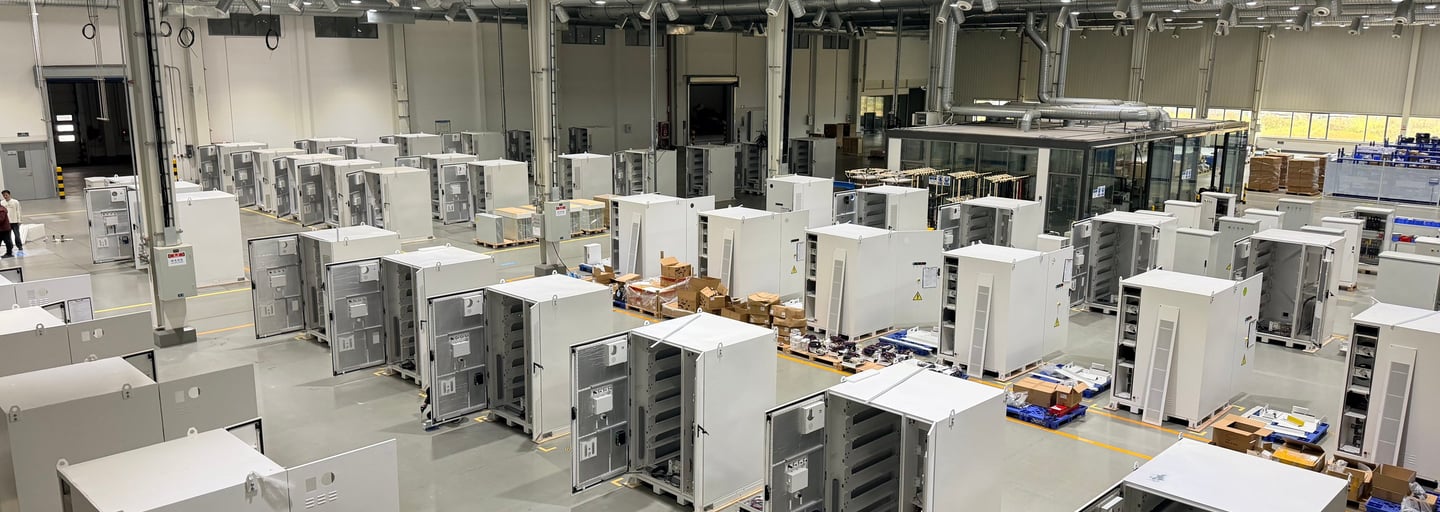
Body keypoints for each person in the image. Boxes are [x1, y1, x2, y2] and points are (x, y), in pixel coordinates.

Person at [0, 191, 20, 256]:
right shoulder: (2, 203)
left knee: (17, 235)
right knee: (8, 238)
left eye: (6, 195)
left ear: (9, 194)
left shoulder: (15, 202)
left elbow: (18, 211)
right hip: (6, 223)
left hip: (14, 221)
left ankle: (19, 246)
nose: (5, 196)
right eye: (4, 195)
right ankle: (10, 249)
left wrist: (19, 220)